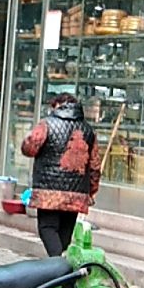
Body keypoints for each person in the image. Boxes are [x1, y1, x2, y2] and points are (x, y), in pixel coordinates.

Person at [20, 93, 101, 256]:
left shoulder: (46, 124)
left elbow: (29, 149)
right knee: (64, 235)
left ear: (57, 105)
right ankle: (65, 275)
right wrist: (91, 192)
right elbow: (95, 167)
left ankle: (60, 269)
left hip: (49, 191)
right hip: (76, 194)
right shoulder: (88, 130)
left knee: (47, 228)